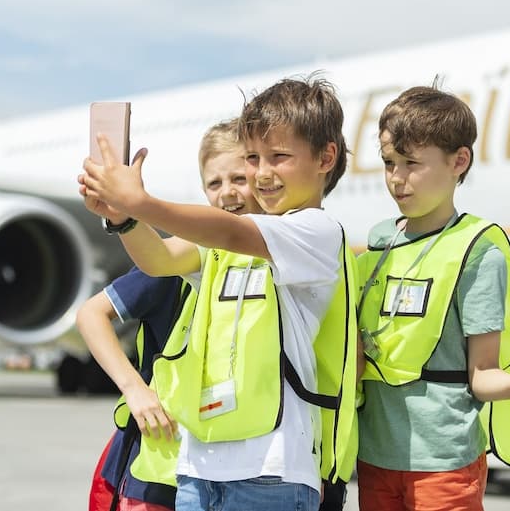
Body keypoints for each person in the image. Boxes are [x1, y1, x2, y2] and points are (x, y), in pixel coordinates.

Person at [79, 76, 356, 511]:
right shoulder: (220, 248)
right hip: (199, 467)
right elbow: (159, 259)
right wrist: (124, 220)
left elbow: (229, 230)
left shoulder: (315, 231)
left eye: (279, 157)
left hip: (272, 470)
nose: (262, 173)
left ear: (326, 158)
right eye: (253, 158)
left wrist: (141, 203)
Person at [355, 85, 510, 511]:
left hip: (444, 463)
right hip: (372, 456)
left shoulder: (478, 251)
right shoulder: (377, 243)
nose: (396, 178)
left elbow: (482, 375)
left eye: (412, 163)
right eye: (389, 162)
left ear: (459, 161)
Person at [78, 119, 262, 511]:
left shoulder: (277, 257)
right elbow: (92, 314)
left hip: (227, 467)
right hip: (159, 464)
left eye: (238, 179)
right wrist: (134, 390)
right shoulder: (184, 258)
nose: (228, 192)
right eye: (214, 183)